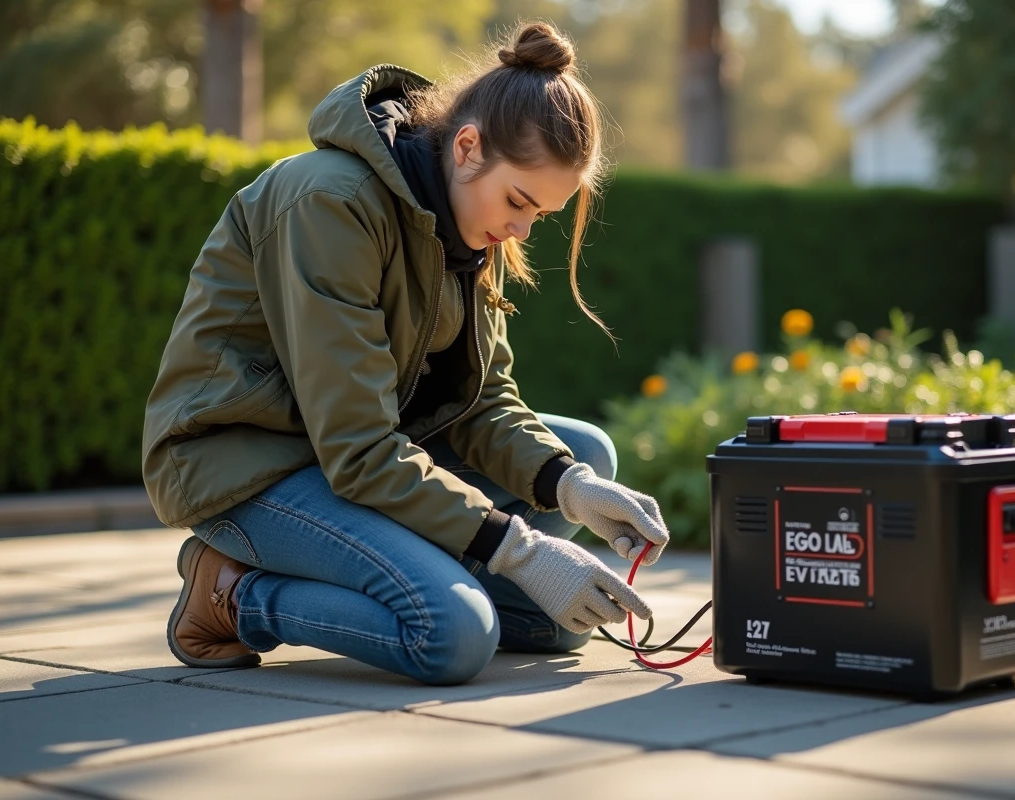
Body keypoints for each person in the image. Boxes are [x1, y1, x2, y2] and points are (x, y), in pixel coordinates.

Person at [141, 21, 671, 686]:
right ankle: (234, 592)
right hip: (247, 468)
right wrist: (521, 550)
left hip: (357, 459)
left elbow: (481, 405)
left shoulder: (472, 226)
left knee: (565, 590)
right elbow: (358, 447)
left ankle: (420, 565)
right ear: (469, 146)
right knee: (450, 636)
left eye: (541, 215)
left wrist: (570, 486)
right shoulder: (328, 201)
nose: (520, 229)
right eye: (518, 202)